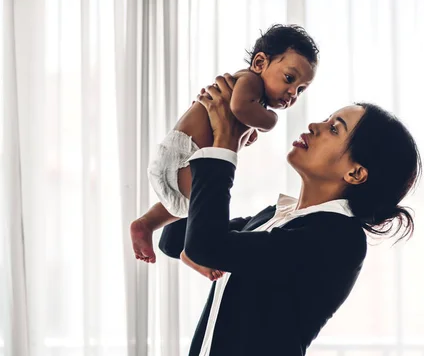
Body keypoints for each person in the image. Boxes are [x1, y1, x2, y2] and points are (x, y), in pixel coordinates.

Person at [158, 74, 422, 356]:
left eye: (334, 129)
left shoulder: (337, 237)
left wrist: (224, 147)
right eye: (326, 119)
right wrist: (208, 142)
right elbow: (173, 239)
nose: (314, 126)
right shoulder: (278, 217)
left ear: (356, 173)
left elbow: (204, 247)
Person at [130, 24, 319, 278]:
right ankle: (192, 253)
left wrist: (246, 132)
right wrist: (269, 122)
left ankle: (147, 223)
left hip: (175, 159)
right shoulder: (249, 81)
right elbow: (240, 108)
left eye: (300, 89)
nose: (292, 93)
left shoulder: (246, 89)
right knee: (207, 206)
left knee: (183, 207)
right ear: (260, 62)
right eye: (289, 78)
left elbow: (236, 117)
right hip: (185, 153)